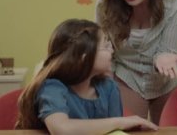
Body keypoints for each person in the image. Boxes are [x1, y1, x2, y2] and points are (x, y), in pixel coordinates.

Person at [95, 0, 177, 124]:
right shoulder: (104, 5)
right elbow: (104, 52)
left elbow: (167, 50)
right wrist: (105, 87)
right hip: (126, 78)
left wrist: (165, 56)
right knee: (128, 129)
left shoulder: (174, 4)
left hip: (166, 81)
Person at [15, 19, 158, 134]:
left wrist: (118, 125)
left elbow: (115, 132)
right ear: (84, 58)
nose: (112, 50)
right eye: (106, 46)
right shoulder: (52, 88)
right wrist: (120, 121)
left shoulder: (109, 88)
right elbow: (61, 129)